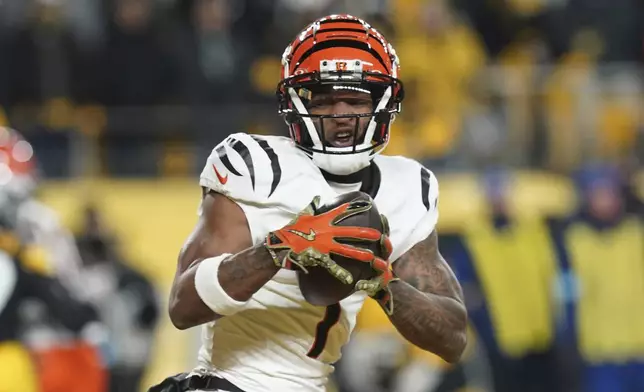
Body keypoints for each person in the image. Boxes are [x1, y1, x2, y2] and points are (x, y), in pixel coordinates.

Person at [151, 14, 467, 392]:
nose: (340, 116)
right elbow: (183, 307)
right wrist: (280, 248)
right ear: (295, 103)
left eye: (354, 100)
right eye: (324, 101)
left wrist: (381, 284)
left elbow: (452, 337)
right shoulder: (253, 165)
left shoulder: (408, 186)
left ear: (385, 102)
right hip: (230, 383)